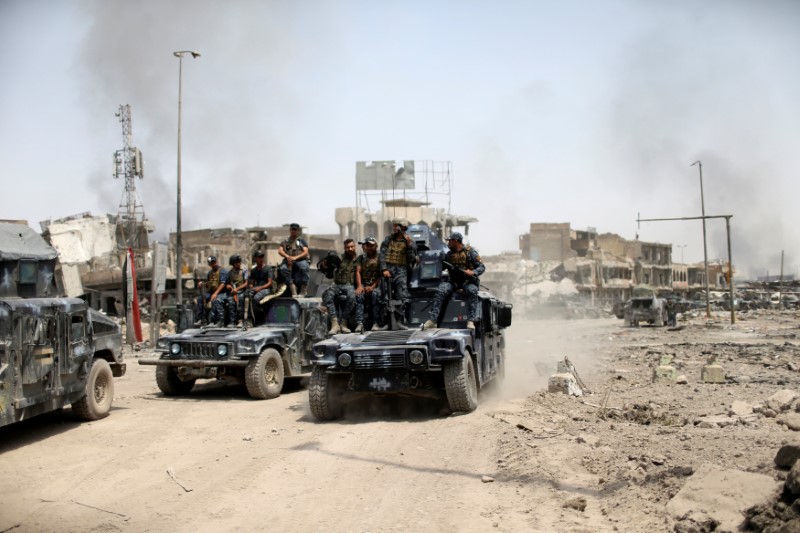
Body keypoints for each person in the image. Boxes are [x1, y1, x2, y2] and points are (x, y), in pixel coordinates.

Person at [422, 232, 485, 330]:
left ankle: (471, 320)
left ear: (455, 241)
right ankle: (433, 320)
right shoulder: (449, 254)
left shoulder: (470, 252)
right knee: (441, 290)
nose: (448, 243)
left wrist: (473, 272)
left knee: (472, 291)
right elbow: (441, 267)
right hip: (454, 282)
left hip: (468, 281)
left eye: (450, 241)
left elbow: (481, 267)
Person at [379, 218, 417, 328]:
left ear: (401, 227)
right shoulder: (388, 240)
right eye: (394, 226)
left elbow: (412, 260)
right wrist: (384, 269)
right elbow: (382, 255)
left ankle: (400, 321)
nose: (394, 228)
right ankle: (386, 322)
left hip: (401, 272)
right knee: (384, 296)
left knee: (402, 297)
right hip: (388, 271)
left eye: (396, 226)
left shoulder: (410, 242)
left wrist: (409, 246)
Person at [322, 239, 358, 334]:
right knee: (328, 295)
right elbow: (329, 274)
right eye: (347, 247)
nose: (350, 249)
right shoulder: (339, 258)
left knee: (351, 296)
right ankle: (334, 324)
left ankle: (344, 323)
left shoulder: (359, 259)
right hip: (338, 285)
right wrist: (326, 265)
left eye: (351, 247)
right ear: (344, 248)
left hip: (350, 285)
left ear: (355, 247)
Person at [355, 236, 382, 332]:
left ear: (376, 246)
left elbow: (381, 274)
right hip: (364, 284)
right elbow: (358, 271)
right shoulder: (361, 258)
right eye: (367, 245)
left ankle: (376, 323)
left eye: (371, 245)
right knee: (359, 295)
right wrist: (360, 286)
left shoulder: (380, 257)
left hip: (377, 285)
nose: (369, 247)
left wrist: (372, 286)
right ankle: (359, 323)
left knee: (375, 295)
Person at [277, 223, 309, 297]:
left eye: (295, 230)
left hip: (300, 260)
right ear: (290, 230)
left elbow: (305, 252)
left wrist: (295, 258)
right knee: (282, 268)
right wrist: (287, 256)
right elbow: (280, 250)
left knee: (304, 267)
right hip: (288, 259)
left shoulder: (301, 241)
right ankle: (292, 287)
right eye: (292, 229)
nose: (293, 231)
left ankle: (303, 290)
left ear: (298, 231)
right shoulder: (286, 241)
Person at [194, 256, 223, 326]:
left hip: (221, 292)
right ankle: (201, 319)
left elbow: (223, 284)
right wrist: (202, 284)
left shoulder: (222, 271)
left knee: (214, 300)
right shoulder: (209, 273)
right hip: (211, 292)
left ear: (216, 262)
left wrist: (215, 293)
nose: (213, 264)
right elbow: (208, 284)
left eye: (214, 262)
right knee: (200, 299)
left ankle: (215, 321)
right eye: (211, 263)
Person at [247, 250, 273, 324]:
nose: (261, 259)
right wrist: (252, 287)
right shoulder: (254, 271)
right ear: (255, 258)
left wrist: (260, 288)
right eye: (259, 257)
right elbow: (251, 283)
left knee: (255, 298)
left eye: (262, 257)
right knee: (246, 296)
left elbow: (270, 283)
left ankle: (258, 316)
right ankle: (248, 318)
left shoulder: (268, 269)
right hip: (257, 288)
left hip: (267, 289)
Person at [225, 254, 248, 327]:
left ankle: (240, 320)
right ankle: (232, 321)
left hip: (241, 291)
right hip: (233, 292)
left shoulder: (244, 271)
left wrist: (237, 289)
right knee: (230, 301)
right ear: (233, 264)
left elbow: (246, 283)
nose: (238, 264)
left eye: (239, 262)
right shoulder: (230, 273)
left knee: (240, 300)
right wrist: (229, 287)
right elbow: (227, 284)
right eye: (236, 262)